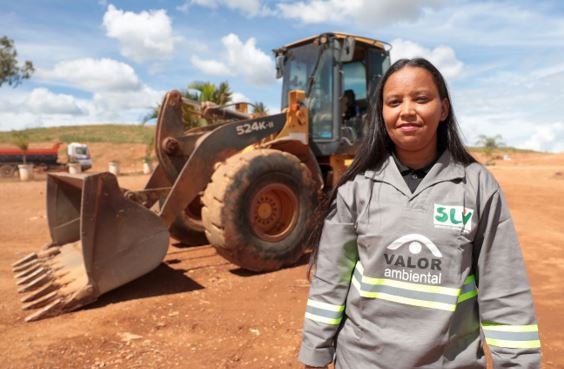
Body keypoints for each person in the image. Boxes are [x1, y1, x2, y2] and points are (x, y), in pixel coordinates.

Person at [298, 58, 541, 368]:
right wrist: (315, 356)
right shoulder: (357, 188)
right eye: (394, 101)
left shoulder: (476, 186)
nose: (407, 110)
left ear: (443, 109)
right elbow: (330, 283)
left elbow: (504, 292)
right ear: (382, 113)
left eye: (421, 98)